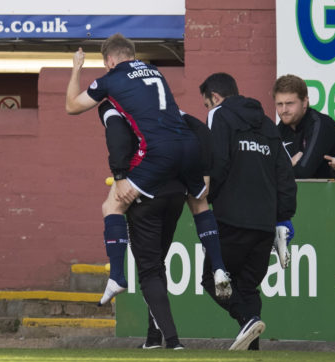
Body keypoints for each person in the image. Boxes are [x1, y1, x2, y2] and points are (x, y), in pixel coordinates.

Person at [65, 33, 231, 305]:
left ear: (109, 61)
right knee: (199, 204)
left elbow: (72, 106)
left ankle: (117, 276)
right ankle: (219, 267)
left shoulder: (111, 78)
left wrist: (76, 69)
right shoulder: (155, 71)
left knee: (112, 206)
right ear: (132, 53)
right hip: (188, 146)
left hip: (158, 151)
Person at [199, 73, 297, 350]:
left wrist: (209, 198)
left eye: (206, 105)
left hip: (231, 217)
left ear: (215, 98)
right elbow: (284, 174)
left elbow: (217, 163)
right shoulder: (267, 123)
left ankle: (246, 318)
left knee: (212, 278)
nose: (207, 110)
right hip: (264, 223)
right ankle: (252, 352)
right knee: (247, 287)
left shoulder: (219, 116)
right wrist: (283, 215)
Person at [97, 101, 187, 349]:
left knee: (149, 270)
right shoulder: (164, 106)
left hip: (143, 189)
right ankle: (153, 338)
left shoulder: (113, 105)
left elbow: (119, 140)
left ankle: (172, 340)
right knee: (157, 266)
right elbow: (194, 133)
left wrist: (120, 175)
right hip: (176, 189)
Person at [273, 74, 335, 178]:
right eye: (279, 104)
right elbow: (264, 171)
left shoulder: (321, 125)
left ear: (304, 102)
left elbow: (303, 172)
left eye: (289, 103)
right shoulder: (281, 128)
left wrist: (285, 166)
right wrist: (290, 164)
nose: (284, 110)